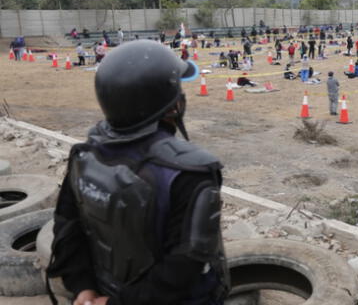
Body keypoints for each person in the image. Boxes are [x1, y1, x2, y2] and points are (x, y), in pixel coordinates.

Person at [46, 40, 230, 305]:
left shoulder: (84, 155)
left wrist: (83, 288)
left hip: (102, 290)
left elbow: (66, 230)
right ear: (171, 105)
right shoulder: (190, 172)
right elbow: (185, 266)